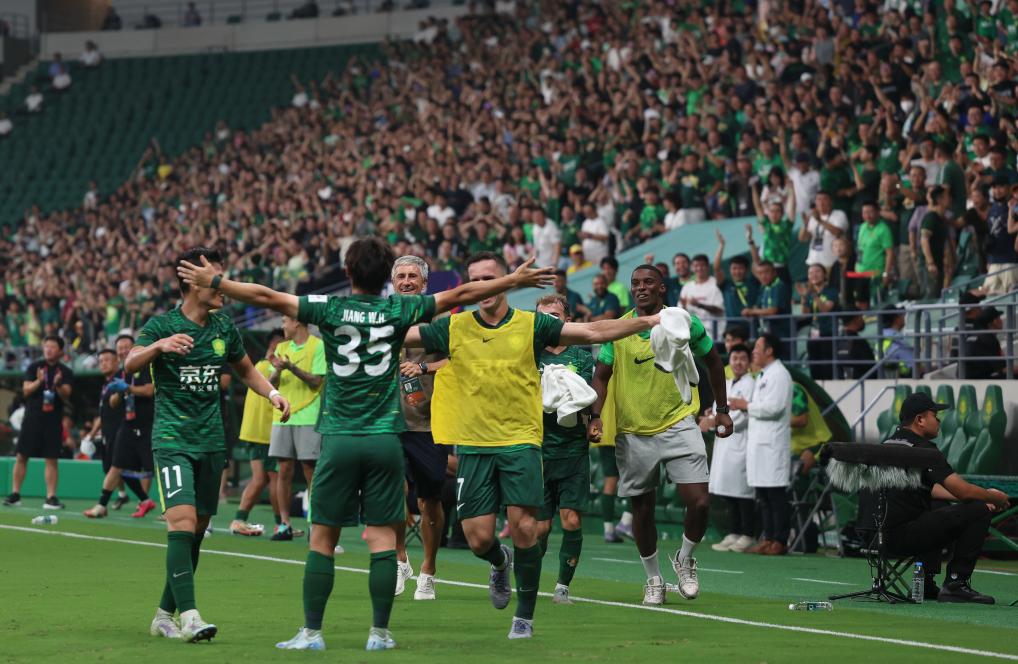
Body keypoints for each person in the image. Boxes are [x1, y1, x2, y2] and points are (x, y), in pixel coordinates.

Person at [177, 240, 556, 650]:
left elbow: (267, 296)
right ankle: (380, 634)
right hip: (384, 440)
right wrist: (512, 279)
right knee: (382, 540)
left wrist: (217, 281)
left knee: (323, 539)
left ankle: (312, 632)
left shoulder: (329, 308)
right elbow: (462, 293)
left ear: (348, 272)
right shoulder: (399, 311)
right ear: (386, 277)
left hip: (340, 436)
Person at [406, 251, 661, 639]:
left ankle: (523, 618)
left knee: (526, 528)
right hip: (474, 444)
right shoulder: (454, 327)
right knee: (478, 539)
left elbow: (593, 332)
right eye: (475, 280)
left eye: (489, 278)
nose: (483, 287)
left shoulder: (532, 324)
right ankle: (499, 561)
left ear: (504, 281)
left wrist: (650, 321)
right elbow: (401, 335)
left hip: (521, 441)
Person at [127, 247, 291, 643]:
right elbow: (130, 362)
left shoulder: (223, 327)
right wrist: (159, 347)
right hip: (173, 440)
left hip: (212, 441)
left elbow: (246, 370)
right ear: (191, 282)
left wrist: (272, 394)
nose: (223, 286)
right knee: (182, 522)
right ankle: (190, 617)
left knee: (197, 530)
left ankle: (163, 615)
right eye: (215, 278)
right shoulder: (162, 325)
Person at [588, 264, 732, 605]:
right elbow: (601, 376)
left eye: (648, 282)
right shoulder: (620, 329)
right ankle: (653, 579)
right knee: (642, 509)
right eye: (636, 283)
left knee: (700, 501)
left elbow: (713, 361)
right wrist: (595, 416)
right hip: (634, 431)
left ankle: (685, 558)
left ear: (662, 288)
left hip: (679, 421)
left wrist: (722, 408)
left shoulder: (683, 321)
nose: (641, 288)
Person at [858, 393, 1009, 603]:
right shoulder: (923, 451)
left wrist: (972, 497)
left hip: (870, 538)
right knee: (978, 510)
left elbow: (931, 490)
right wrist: (994, 497)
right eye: (934, 416)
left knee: (937, 505)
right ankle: (956, 584)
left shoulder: (886, 446)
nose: (939, 421)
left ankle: (925, 583)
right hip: (899, 538)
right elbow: (963, 491)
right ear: (920, 420)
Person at [390, 256, 451, 601]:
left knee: (429, 499)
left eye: (413, 276)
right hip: (389, 420)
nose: (407, 281)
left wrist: (425, 368)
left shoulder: (439, 319)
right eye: (401, 276)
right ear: (393, 282)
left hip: (428, 422)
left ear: (425, 284)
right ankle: (400, 559)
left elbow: (458, 360)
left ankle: (428, 570)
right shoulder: (383, 317)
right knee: (390, 490)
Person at [533, 294, 595, 605]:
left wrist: (594, 420)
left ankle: (562, 587)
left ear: (567, 320)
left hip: (572, 450)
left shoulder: (582, 357)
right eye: (543, 315)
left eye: (555, 315)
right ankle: (529, 575)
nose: (549, 321)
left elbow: (581, 396)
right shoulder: (528, 354)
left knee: (571, 520)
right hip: (537, 451)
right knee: (540, 529)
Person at [729, 334, 793, 556]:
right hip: (759, 444)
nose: (753, 351)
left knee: (776, 495)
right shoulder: (765, 374)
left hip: (772, 444)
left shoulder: (780, 375)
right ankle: (768, 538)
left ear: (769, 350)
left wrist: (745, 405)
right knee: (763, 496)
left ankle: (781, 540)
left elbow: (774, 408)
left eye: (757, 347)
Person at [83, 336, 157, 519]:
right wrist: (118, 392)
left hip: (148, 426)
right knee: (116, 466)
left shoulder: (145, 366)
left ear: (135, 347)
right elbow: (112, 403)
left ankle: (162, 505)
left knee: (151, 469)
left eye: (126, 347)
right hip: (127, 425)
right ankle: (102, 505)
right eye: (120, 348)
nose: (123, 351)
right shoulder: (119, 374)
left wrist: (129, 389)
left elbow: (150, 390)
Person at [267, 314, 325, 542]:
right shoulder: (281, 347)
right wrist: (279, 370)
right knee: (283, 470)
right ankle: (284, 524)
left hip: (309, 416)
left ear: (297, 322)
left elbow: (317, 381)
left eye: (285, 321)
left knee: (311, 471)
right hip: (282, 416)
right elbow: (271, 385)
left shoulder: (318, 346)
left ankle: (314, 524)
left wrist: (291, 367)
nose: (283, 326)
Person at [4, 336, 73, 509]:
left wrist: (57, 384)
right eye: (46, 346)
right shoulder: (34, 367)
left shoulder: (65, 371)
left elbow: (66, 395)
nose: (48, 349)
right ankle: (15, 494)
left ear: (60, 351)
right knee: (21, 456)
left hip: (53, 420)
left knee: (52, 458)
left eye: (52, 347)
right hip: (32, 418)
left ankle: (50, 497)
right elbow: (26, 390)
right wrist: (39, 381)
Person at [230, 330, 285, 536]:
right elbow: (272, 384)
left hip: (253, 430)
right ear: (274, 345)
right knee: (276, 478)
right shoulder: (267, 367)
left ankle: (239, 519)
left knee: (260, 479)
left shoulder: (257, 367)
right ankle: (282, 524)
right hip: (265, 431)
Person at [703, 343, 756, 553]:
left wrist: (714, 422)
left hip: (741, 442)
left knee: (743, 493)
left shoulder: (751, 384)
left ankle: (748, 534)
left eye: (743, 359)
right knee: (729, 492)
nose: (738, 363)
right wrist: (710, 419)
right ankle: (733, 532)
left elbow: (743, 416)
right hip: (725, 444)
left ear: (749, 362)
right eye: (735, 359)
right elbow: (718, 410)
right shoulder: (725, 384)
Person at [799, 264, 838, 380]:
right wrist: (804, 298)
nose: (814, 275)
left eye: (817, 272)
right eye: (810, 273)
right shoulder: (809, 294)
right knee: (814, 365)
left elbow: (825, 309)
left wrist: (815, 295)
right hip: (813, 333)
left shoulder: (831, 291)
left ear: (825, 275)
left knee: (827, 366)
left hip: (828, 332)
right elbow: (805, 314)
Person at [714, 231, 759, 326]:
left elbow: (757, 263)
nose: (737, 271)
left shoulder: (753, 281)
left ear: (746, 269)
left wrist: (750, 241)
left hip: (753, 325)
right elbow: (717, 268)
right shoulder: (726, 284)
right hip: (733, 326)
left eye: (740, 268)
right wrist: (721, 245)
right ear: (729, 270)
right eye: (734, 268)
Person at [679, 254, 724, 337]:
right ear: (692, 268)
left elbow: (719, 310)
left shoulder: (716, 283)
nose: (699, 268)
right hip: (693, 335)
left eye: (702, 265)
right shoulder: (687, 287)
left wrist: (699, 305)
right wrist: (684, 306)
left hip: (715, 334)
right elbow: (681, 313)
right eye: (696, 266)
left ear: (707, 267)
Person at [835, 310, 876, 380]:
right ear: (855, 319)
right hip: (864, 382)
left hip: (843, 382)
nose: (863, 320)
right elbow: (872, 367)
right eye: (860, 317)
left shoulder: (838, 341)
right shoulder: (859, 342)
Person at [880, 310, 914, 378]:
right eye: (901, 315)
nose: (904, 317)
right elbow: (915, 367)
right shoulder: (896, 338)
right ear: (896, 318)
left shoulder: (881, 335)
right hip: (904, 378)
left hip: (886, 376)